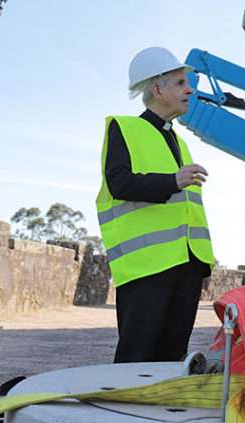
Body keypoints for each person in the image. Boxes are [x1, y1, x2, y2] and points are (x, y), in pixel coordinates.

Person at [97, 46, 214, 363]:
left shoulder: (180, 142)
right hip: (147, 269)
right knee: (137, 357)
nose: (189, 89)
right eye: (180, 83)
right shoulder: (124, 127)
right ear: (157, 88)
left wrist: (201, 264)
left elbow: (187, 210)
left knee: (172, 359)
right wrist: (171, 181)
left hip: (185, 266)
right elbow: (119, 183)